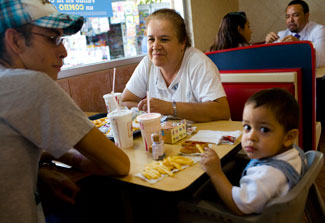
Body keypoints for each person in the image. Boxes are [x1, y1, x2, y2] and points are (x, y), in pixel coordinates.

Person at [0, 0, 130, 222]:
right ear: (15, 40)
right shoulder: (30, 84)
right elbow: (118, 163)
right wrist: (69, 156)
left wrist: (37, 172)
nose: (64, 52)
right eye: (53, 39)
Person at [201, 88, 306, 215]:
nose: (251, 136)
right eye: (247, 127)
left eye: (264, 130)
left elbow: (238, 207)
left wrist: (216, 173)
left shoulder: (268, 175)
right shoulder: (295, 152)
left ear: (288, 137)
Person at [121, 8, 230, 123]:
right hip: (164, 138)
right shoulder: (147, 64)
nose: (156, 46)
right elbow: (125, 101)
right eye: (151, 39)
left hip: (203, 138)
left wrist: (169, 108)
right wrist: (149, 114)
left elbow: (222, 111)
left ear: (182, 43)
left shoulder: (199, 64)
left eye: (164, 39)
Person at [265, 0, 325, 131]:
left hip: (312, 83)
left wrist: (300, 45)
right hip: (286, 84)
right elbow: (271, 61)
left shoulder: (319, 30)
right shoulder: (281, 35)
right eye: (287, 16)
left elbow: (321, 60)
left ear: (307, 15)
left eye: (295, 15)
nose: (290, 20)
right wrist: (267, 45)